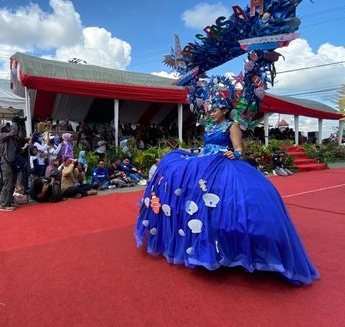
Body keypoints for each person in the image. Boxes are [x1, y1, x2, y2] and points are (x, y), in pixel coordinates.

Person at [135, 93, 319, 285]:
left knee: (226, 205)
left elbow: (239, 149)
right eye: (209, 111)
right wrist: (192, 151)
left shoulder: (232, 126)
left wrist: (234, 153)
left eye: (214, 110)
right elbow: (207, 147)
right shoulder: (209, 127)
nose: (211, 113)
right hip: (204, 164)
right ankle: (204, 244)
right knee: (185, 185)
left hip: (223, 164)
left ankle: (236, 246)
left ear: (224, 110)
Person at [0, 117, 26, 212]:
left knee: (13, 183)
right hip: (6, 163)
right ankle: (3, 205)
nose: (8, 127)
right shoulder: (1, 136)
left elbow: (22, 137)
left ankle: (8, 202)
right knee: (7, 183)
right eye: (6, 127)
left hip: (12, 162)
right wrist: (14, 122)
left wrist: (22, 125)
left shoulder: (11, 138)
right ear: (2, 130)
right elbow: (13, 132)